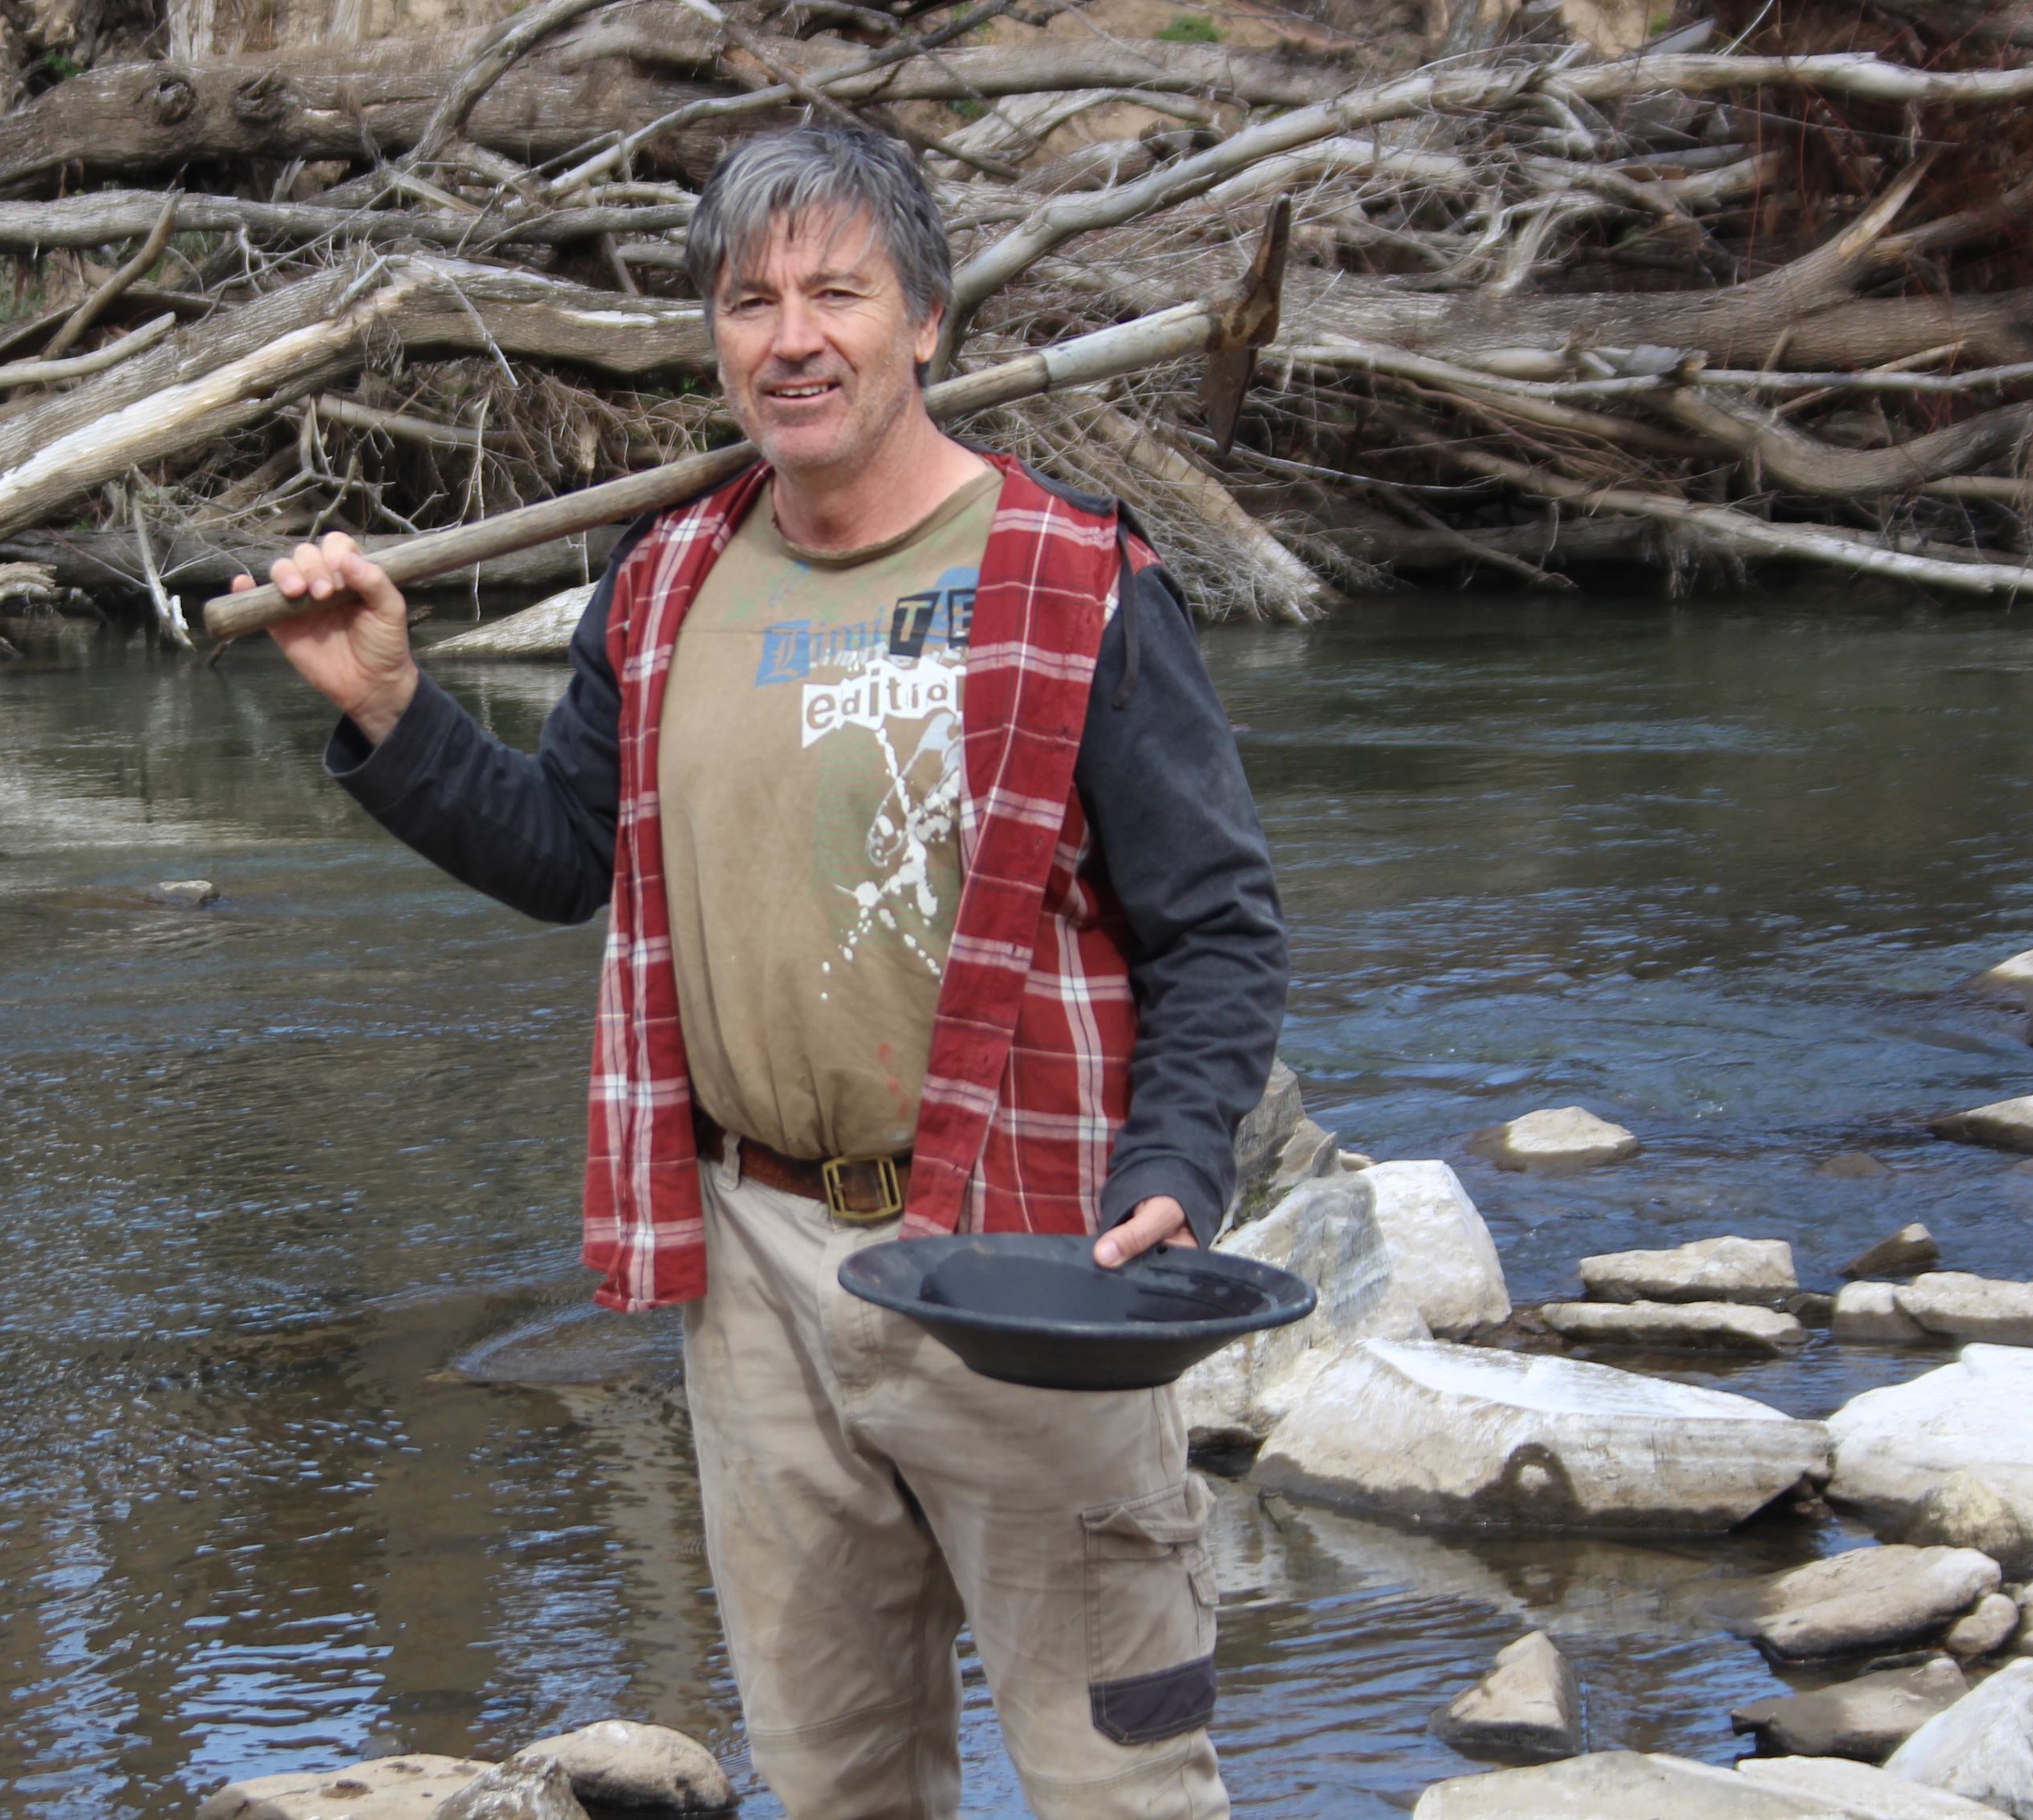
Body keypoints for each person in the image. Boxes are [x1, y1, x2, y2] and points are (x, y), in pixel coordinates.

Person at [232, 124, 1286, 1820]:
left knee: (1123, 1780)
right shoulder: (664, 586)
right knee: (836, 1780)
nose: (790, 334)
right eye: (749, 299)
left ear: (925, 319)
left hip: (1030, 1262)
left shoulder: (1077, 576)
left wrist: (1174, 1167)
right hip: (757, 1266)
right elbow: (565, 853)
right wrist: (388, 708)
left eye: (835, 291)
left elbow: (1218, 924)